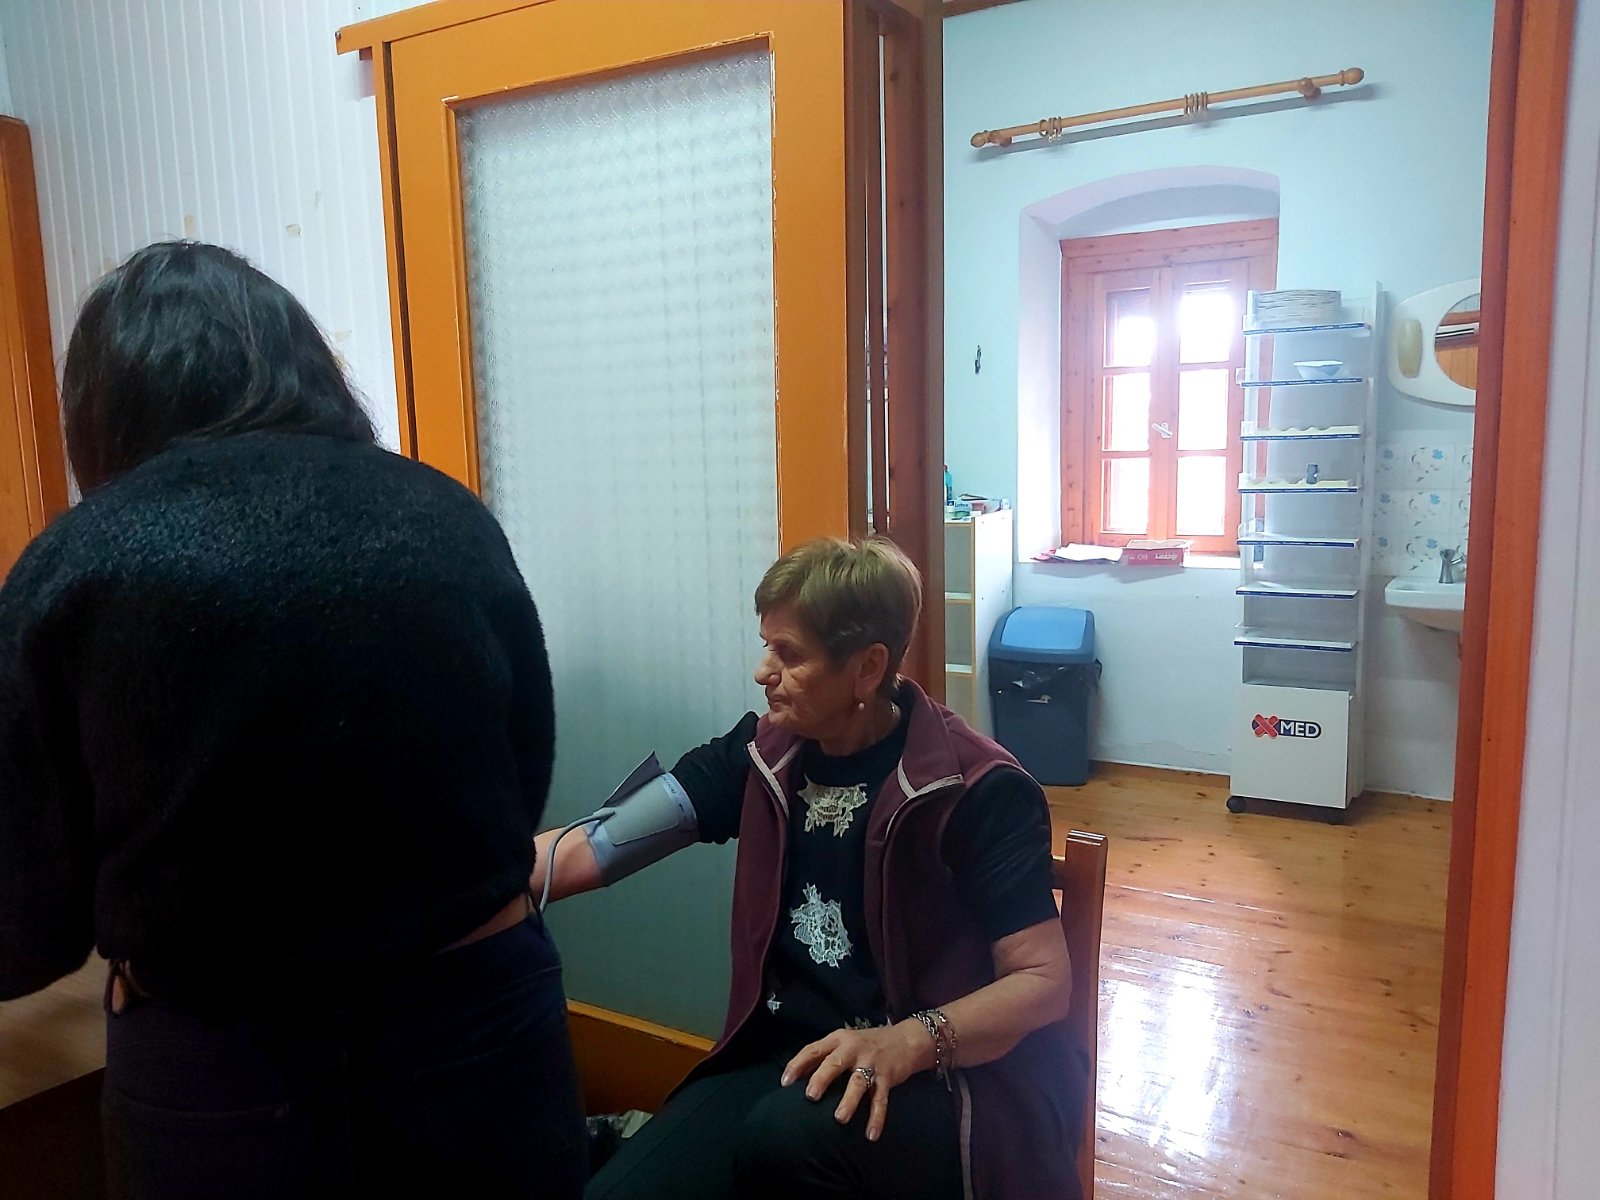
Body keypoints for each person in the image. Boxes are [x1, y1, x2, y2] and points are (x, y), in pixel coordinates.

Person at [0, 241, 586, 1199]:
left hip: (217, 1071)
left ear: (103, 406)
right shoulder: (445, 517)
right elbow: (521, 781)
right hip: (482, 1027)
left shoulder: (74, 567)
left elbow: (25, 921)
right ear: (301, 363)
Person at [536, 538, 1086, 1200]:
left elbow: (1043, 982)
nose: (761, 671)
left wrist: (910, 1040)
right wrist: (481, 887)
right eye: (766, 646)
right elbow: (595, 845)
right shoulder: (762, 755)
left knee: (784, 1142)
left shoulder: (978, 789)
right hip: (789, 1061)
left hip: (947, 1081)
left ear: (867, 667)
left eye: (788, 654)